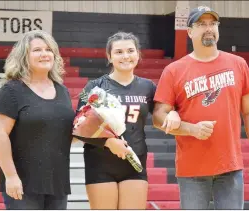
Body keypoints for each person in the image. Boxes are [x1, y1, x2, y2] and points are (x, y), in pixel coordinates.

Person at [152, 6, 249, 210]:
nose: (208, 28)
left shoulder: (238, 64)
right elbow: (158, 117)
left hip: (230, 167)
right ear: (189, 32)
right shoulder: (173, 71)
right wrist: (191, 129)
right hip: (192, 169)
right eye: (201, 24)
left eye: (213, 24)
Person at [74, 31, 176, 209]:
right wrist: (109, 142)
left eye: (130, 51)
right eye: (119, 52)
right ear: (109, 56)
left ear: (138, 54)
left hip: (134, 163)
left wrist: (173, 113)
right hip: (100, 164)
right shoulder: (94, 86)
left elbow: (163, 112)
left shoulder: (148, 87)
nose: (125, 56)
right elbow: (79, 127)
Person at [0, 30, 75, 209]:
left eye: (48, 50)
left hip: (57, 182)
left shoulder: (62, 91)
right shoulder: (12, 91)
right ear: (24, 56)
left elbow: (67, 135)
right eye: (37, 50)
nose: (45, 54)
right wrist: (11, 176)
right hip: (23, 182)